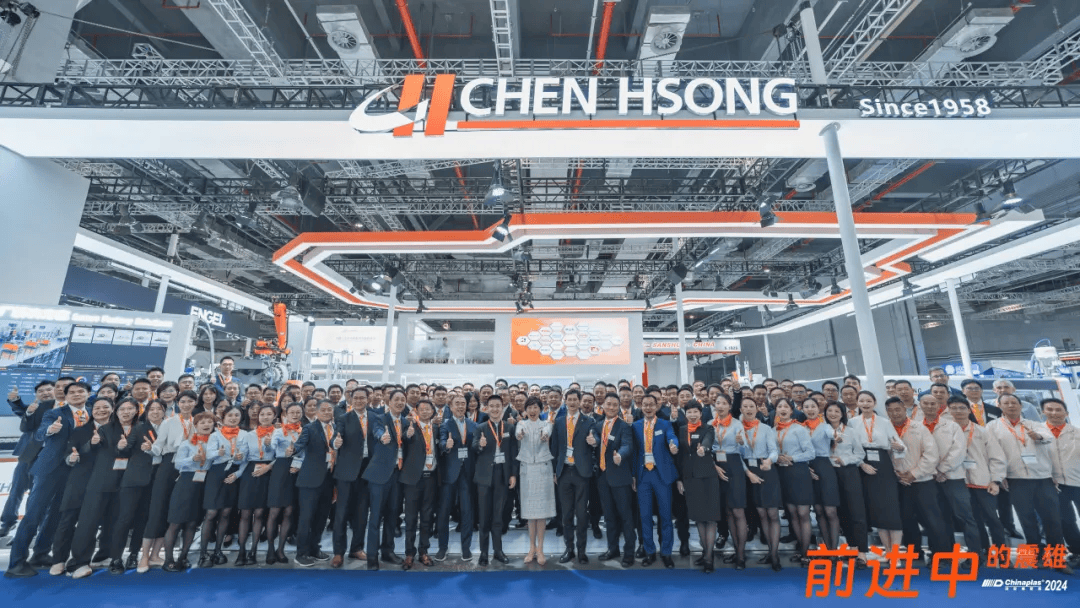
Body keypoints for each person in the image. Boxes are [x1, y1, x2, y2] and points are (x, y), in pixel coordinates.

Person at [5, 380, 91, 578]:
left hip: (75, 471)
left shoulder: (92, 413)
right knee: (34, 515)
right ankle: (16, 563)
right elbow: (40, 434)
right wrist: (50, 430)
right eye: (72, 392)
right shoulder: (54, 413)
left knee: (56, 516)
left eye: (80, 391)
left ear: (88, 394)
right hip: (49, 469)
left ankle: (41, 554)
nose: (76, 395)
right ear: (65, 396)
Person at [986, 394, 1072, 574]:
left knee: (1052, 520)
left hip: (1043, 478)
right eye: (1006, 403)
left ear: (1020, 406)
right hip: (1016, 479)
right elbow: (995, 454)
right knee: (1027, 520)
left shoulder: (1034, 424)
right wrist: (999, 476)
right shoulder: (993, 427)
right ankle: (1036, 557)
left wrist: (1038, 437)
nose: (1011, 406)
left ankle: (1058, 560)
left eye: (1014, 403)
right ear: (999, 406)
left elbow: (1048, 437)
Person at [945, 397, 1007, 555]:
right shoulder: (945, 431)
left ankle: (1002, 554)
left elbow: (997, 457)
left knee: (992, 519)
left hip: (983, 482)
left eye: (961, 408)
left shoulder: (982, 431)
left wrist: (996, 480)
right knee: (970, 520)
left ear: (969, 410)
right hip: (958, 482)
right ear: (948, 411)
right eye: (954, 408)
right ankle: (980, 552)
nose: (958, 411)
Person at [110, 399, 165, 574]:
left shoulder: (168, 427)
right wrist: (121, 447)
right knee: (124, 518)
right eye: (152, 409)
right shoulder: (140, 428)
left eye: (159, 409)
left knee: (143, 519)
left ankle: (134, 554)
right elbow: (127, 450)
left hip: (157, 480)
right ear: (146, 412)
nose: (155, 412)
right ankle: (116, 558)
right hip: (134, 479)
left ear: (165, 411)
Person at [890, 394, 947, 563]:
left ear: (904, 409)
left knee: (932, 519)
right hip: (899, 482)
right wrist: (897, 475)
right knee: (906, 520)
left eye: (898, 409)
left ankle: (940, 555)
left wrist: (914, 474)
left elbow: (931, 455)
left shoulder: (919, 428)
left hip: (922, 482)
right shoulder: (887, 430)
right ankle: (914, 554)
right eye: (890, 410)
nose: (895, 413)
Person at [927, 395, 982, 562]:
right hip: (930, 479)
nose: (929, 407)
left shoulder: (952, 426)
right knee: (939, 518)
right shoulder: (918, 425)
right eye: (925, 404)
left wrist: (941, 470)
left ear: (939, 406)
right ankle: (944, 555)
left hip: (954, 478)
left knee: (965, 517)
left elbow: (958, 451)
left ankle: (975, 555)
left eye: (933, 404)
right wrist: (933, 471)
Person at [851, 392, 904, 555]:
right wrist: (861, 464)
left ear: (874, 403)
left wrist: (900, 447)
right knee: (877, 510)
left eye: (869, 400)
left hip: (883, 465)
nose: (865, 403)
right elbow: (850, 448)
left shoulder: (884, 422)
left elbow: (898, 444)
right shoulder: (852, 422)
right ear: (857, 403)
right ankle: (887, 550)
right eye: (862, 401)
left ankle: (895, 553)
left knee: (891, 509)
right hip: (863, 465)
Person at [162, 412, 215, 572]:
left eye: (209, 422)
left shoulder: (215, 443)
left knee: (192, 523)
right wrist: (192, 459)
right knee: (175, 522)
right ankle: (168, 560)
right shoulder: (186, 444)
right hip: (186, 482)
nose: (206, 425)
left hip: (203, 484)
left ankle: (183, 557)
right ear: (195, 425)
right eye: (202, 422)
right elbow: (177, 464)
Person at [1, 379, 54, 538]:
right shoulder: (34, 408)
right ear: (36, 395)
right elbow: (23, 412)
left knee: (39, 493)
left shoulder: (64, 409)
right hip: (28, 454)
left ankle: (36, 526)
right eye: (41, 391)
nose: (45, 393)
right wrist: (16, 401)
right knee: (16, 489)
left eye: (48, 390)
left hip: (49, 456)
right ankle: (8, 522)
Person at [330, 388, 377, 567]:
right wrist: (335, 442)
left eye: (362, 398)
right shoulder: (344, 418)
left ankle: (357, 548)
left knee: (362, 513)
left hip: (367, 470)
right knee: (341, 514)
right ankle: (338, 552)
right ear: (350, 399)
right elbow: (335, 437)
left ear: (368, 398)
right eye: (355, 398)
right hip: (347, 471)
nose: (358, 401)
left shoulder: (375, 418)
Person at [363, 389, 408, 570]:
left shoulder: (407, 422)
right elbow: (377, 431)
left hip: (398, 475)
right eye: (396, 399)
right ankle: (372, 556)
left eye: (403, 399)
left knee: (392, 515)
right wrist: (382, 436)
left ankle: (388, 551)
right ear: (389, 401)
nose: (400, 402)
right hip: (380, 475)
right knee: (375, 517)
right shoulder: (379, 419)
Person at [822, 401, 870, 568]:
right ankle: (851, 547)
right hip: (829, 474)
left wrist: (845, 460)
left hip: (848, 472)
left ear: (842, 414)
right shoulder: (822, 431)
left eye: (837, 411)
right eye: (829, 411)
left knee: (856, 512)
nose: (833, 414)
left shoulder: (851, 431)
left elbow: (860, 454)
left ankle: (861, 552)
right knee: (841, 512)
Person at [551, 388, 597, 564]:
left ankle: (582, 550)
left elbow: (594, 440)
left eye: (574, 400)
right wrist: (555, 471)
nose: (572, 402)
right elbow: (555, 448)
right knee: (566, 514)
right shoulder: (559, 421)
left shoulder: (589, 421)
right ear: (565, 401)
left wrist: (594, 441)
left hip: (581, 472)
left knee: (582, 514)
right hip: (564, 472)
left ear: (579, 402)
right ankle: (569, 549)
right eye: (569, 399)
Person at [197, 406, 247, 567]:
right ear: (223, 418)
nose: (233, 418)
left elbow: (246, 459)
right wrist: (218, 453)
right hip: (216, 473)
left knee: (226, 513)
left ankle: (218, 550)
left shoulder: (244, 434)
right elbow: (209, 454)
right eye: (230, 415)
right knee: (211, 513)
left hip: (234, 474)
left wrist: (238, 470)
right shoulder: (215, 435)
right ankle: (203, 553)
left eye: (237, 415)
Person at [633, 394, 678, 569]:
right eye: (645, 405)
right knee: (645, 516)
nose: (648, 408)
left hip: (661, 475)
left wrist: (673, 445)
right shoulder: (636, 426)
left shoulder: (665, 424)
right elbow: (634, 452)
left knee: (665, 516)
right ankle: (649, 551)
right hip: (643, 474)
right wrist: (633, 476)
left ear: (657, 406)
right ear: (641, 406)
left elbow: (671, 437)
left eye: (651, 404)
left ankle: (666, 553)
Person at [473, 394, 518, 566]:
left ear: (502, 407)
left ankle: (498, 551)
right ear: (486, 408)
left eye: (498, 406)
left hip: (502, 475)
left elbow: (513, 453)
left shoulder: (509, 427)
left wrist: (513, 474)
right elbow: (474, 447)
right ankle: (484, 552)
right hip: (484, 476)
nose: (495, 409)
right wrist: (480, 445)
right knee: (484, 517)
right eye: (491, 406)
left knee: (498, 516)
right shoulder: (481, 427)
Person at [676, 401, 721, 573]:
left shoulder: (708, 428)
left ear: (701, 413)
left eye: (696, 412)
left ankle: (709, 557)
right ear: (685, 414)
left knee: (710, 518)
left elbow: (708, 441)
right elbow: (680, 457)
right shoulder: (681, 429)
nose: (693, 415)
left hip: (707, 477)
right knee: (698, 518)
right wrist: (679, 479)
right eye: (689, 412)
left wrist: (704, 449)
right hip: (689, 479)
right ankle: (705, 552)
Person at [738, 395, 782, 571]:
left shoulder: (765, 428)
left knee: (772, 513)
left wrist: (769, 461)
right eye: (745, 406)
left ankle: (775, 554)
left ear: (756, 409)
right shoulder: (737, 428)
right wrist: (747, 472)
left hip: (766, 469)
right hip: (748, 471)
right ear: (740, 409)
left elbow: (774, 450)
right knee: (761, 514)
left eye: (751, 406)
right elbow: (737, 455)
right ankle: (770, 552)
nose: (748, 409)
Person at [292, 400, 337, 567]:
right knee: (306, 518)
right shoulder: (309, 428)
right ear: (317, 412)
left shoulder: (336, 428)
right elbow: (300, 444)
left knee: (321, 517)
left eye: (329, 409)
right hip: (310, 480)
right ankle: (301, 553)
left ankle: (314, 548)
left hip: (329, 479)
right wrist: (293, 449)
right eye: (323, 410)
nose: (326, 412)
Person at [436, 393, 477, 561]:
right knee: (444, 512)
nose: (460, 406)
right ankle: (442, 548)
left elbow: (476, 447)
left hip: (467, 474)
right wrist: (446, 445)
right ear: (451, 407)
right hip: (450, 474)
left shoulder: (473, 425)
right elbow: (441, 442)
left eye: (463, 403)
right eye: (457, 403)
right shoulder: (445, 424)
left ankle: (466, 548)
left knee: (467, 512)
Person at [773, 398, 815, 565]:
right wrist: (777, 458)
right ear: (776, 410)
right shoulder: (773, 430)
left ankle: (806, 553)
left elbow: (810, 453)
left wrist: (792, 458)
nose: (782, 409)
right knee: (792, 513)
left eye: (786, 407)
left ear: (792, 410)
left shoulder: (799, 428)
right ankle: (800, 550)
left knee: (803, 513)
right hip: (782, 473)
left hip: (799, 472)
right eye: (779, 406)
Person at [515, 396, 555, 564]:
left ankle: (541, 549)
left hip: (543, 470)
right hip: (527, 470)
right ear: (525, 410)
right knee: (530, 514)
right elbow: (518, 434)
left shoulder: (547, 424)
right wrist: (520, 435)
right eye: (529, 408)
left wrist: (545, 436)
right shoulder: (521, 424)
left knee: (542, 513)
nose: (532, 411)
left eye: (535, 407)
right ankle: (532, 548)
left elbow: (547, 433)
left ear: (540, 409)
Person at [235, 404, 276, 566]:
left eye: (268, 414)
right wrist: (238, 457)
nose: (265, 417)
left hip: (268, 472)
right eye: (262, 414)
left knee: (259, 513)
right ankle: (241, 551)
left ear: (274, 416)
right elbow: (243, 456)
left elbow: (281, 455)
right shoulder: (249, 435)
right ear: (257, 417)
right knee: (245, 513)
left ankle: (253, 550)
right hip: (250, 472)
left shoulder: (279, 433)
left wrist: (269, 466)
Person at [401, 400, 440, 569]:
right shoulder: (410, 426)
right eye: (421, 409)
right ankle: (409, 553)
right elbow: (403, 441)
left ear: (433, 411)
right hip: (413, 480)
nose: (425, 411)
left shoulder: (437, 429)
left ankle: (424, 551)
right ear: (416, 411)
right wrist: (407, 435)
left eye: (428, 409)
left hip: (431, 479)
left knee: (427, 517)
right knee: (410, 518)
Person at [1041, 398, 1079, 562]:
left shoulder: (1077, 433)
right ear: (1043, 412)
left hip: (1078, 481)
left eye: (1058, 410)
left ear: (1066, 413)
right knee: (1066, 520)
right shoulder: (1036, 433)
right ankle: (1077, 551)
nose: (1054, 413)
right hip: (1054, 484)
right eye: (1050, 409)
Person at [266, 403, 303, 565]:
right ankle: (270, 548)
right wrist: (269, 443)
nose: (295, 415)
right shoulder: (279, 431)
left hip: (296, 470)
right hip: (280, 469)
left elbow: (306, 452)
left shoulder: (303, 431)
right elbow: (271, 448)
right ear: (285, 415)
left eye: (298, 412)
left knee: (289, 511)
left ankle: (280, 549)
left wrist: (299, 464)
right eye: (292, 412)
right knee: (274, 511)